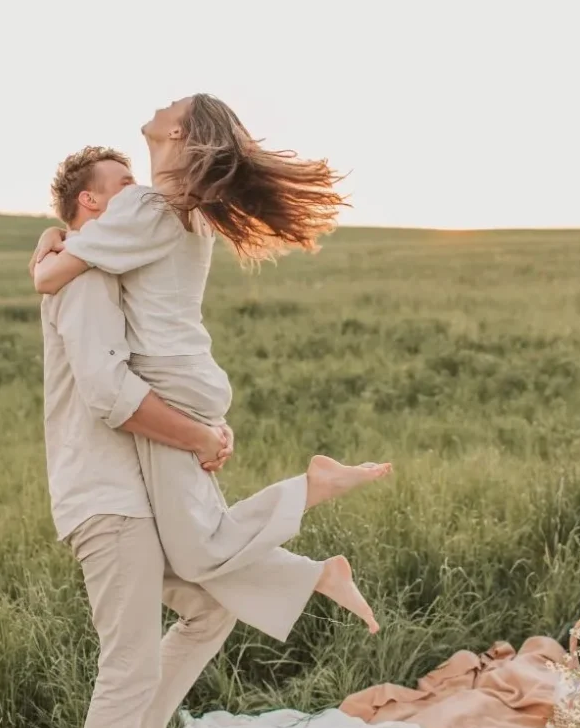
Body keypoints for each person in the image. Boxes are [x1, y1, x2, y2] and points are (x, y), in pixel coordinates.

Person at [32, 96, 392, 643]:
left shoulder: (144, 208)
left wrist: (45, 246)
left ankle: (313, 507)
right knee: (196, 541)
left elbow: (49, 279)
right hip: (187, 371)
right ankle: (315, 564)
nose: (159, 104)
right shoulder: (188, 214)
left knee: (197, 548)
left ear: (179, 133)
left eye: (171, 106)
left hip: (166, 378)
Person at [39, 146, 238, 728]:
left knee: (210, 606)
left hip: (140, 491)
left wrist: (206, 428)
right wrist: (198, 436)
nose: (141, 194)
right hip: (106, 497)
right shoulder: (85, 278)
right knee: (125, 664)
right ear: (91, 205)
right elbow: (107, 393)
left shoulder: (98, 266)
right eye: (124, 185)